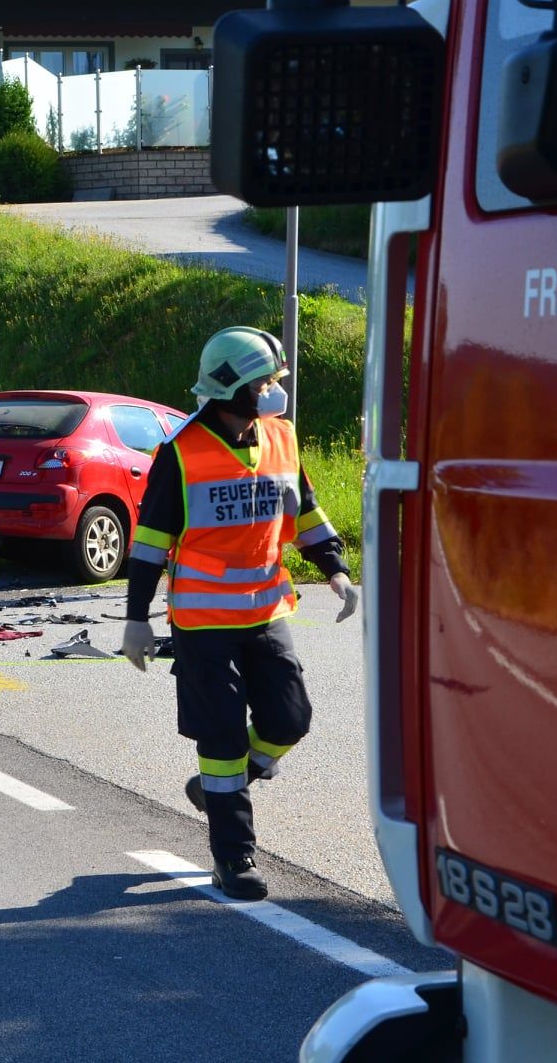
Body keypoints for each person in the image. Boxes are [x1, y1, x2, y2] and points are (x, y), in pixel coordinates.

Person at [120, 326, 359, 901]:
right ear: (231, 386)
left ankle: (218, 790)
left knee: (289, 720)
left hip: (267, 613)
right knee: (222, 740)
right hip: (203, 625)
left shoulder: (281, 437)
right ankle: (234, 857)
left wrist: (334, 567)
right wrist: (136, 618)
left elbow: (304, 511)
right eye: (264, 382)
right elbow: (150, 544)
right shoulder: (181, 453)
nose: (275, 391)